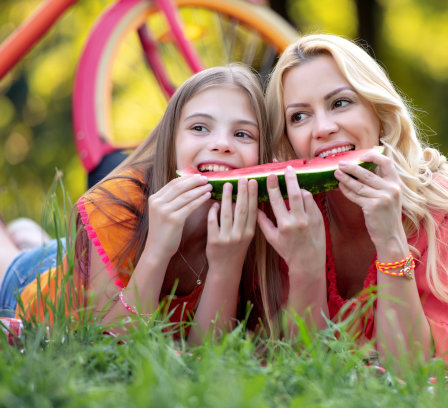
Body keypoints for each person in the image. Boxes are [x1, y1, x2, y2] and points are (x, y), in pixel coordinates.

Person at [258, 34, 448, 365]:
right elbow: (303, 366)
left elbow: (410, 369)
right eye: (299, 116)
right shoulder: (287, 212)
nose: (323, 128)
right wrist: (305, 267)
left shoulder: (436, 203)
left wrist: (391, 242)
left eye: (340, 103)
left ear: (378, 110)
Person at [0, 64, 275, 343]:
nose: (221, 144)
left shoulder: (259, 221)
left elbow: (204, 355)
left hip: (92, 259)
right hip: (31, 287)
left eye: (242, 134)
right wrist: (157, 248)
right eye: (199, 127)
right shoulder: (118, 201)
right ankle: (26, 243)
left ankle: (31, 236)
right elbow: (118, 343)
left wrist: (226, 262)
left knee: (53, 248)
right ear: (171, 142)